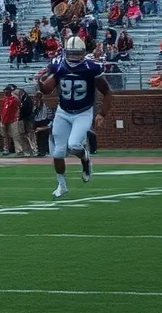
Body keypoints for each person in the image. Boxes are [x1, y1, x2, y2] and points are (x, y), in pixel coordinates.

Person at [36, 36, 110, 198]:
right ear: (65, 52)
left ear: (83, 53)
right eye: (71, 53)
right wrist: (40, 83)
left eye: (77, 53)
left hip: (83, 112)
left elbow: (106, 92)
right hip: (63, 112)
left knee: (74, 145)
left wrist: (102, 113)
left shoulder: (91, 68)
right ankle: (62, 185)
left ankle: (85, 158)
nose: (74, 57)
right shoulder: (59, 66)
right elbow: (48, 89)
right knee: (58, 152)